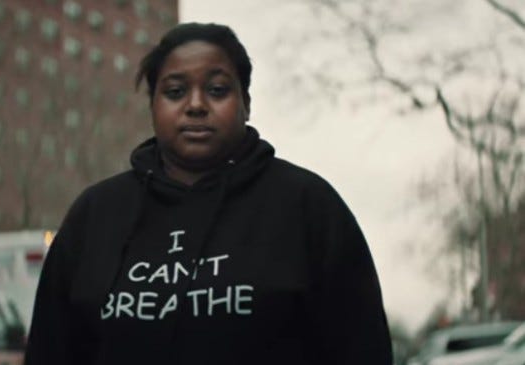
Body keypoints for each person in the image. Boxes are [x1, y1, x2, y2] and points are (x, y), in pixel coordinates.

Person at [24, 22, 393, 365]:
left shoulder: (308, 206)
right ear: (153, 106)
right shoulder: (95, 215)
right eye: (175, 91)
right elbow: (51, 350)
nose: (196, 104)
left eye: (217, 89)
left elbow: (362, 349)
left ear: (246, 103)